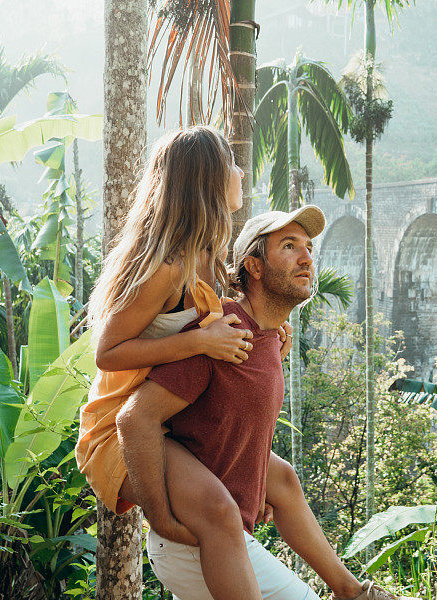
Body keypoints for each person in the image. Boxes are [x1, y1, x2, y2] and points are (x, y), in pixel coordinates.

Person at [118, 208, 414, 600]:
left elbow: (229, 428)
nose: (307, 258)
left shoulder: (270, 337)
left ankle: (355, 593)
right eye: (289, 247)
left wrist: (253, 480)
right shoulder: (222, 335)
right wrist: (162, 520)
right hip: (196, 541)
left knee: (284, 476)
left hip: (219, 537)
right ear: (254, 267)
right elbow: (135, 418)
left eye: (308, 247)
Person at [75, 126, 308, 600]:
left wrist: (264, 335)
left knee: (278, 477)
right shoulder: (165, 266)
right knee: (220, 513)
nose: (241, 172)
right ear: (208, 179)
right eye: (232, 164)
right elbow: (108, 352)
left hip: (164, 422)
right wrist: (201, 342)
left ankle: (350, 589)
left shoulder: (207, 257)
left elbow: (210, 321)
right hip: (120, 428)